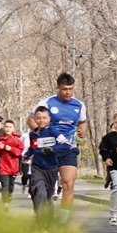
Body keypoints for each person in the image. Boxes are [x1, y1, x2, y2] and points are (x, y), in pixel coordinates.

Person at [34, 73, 89, 219]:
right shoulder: (47, 103)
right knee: (47, 188)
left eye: (71, 89)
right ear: (58, 87)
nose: (68, 92)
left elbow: (83, 121)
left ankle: (64, 220)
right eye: (64, 89)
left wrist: (83, 129)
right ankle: (44, 214)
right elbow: (32, 119)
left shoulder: (79, 105)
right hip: (49, 150)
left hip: (68, 148)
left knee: (68, 183)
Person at [26, 106, 61, 225]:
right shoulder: (33, 134)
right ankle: (40, 220)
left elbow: (66, 145)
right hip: (37, 167)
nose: (41, 120)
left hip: (51, 168)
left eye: (44, 118)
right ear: (35, 119)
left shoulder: (53, 131)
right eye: (38, 118)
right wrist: (26, 155)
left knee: (47, 197)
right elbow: (33, 148)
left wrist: (52, 149)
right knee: (39, 192)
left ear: (49, 119)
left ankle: (49, 221)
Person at [0, 120, 24, 204]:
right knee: (4, 185)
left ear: (13, 128)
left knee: (11, 186)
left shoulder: (17, 139)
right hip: (3, 166)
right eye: (6, 127)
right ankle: (5, 203)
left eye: (10, 127)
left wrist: (11, 149)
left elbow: (20, 152)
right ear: (3, 127)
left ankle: (10, 194)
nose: (8, 129)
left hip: (13, 166)